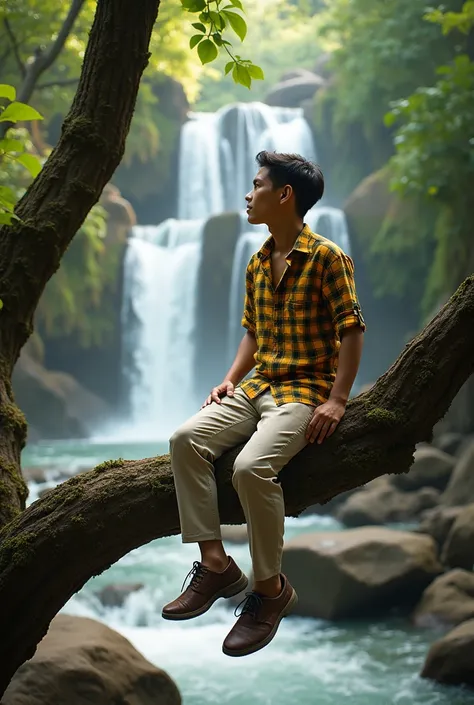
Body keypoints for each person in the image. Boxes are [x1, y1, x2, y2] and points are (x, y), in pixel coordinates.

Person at [162, 151, 365, 657]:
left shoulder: (327, 257)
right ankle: (215, 564)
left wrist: (338, 400)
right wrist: (230, 379)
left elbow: (352, 328)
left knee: (251, 469)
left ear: (284, 195)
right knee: (184, 440)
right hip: (257, 387)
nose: (248, 195)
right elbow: (252, 333)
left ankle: (270, 592)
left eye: (256, 186)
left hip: (304, 391)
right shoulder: (255, 260)